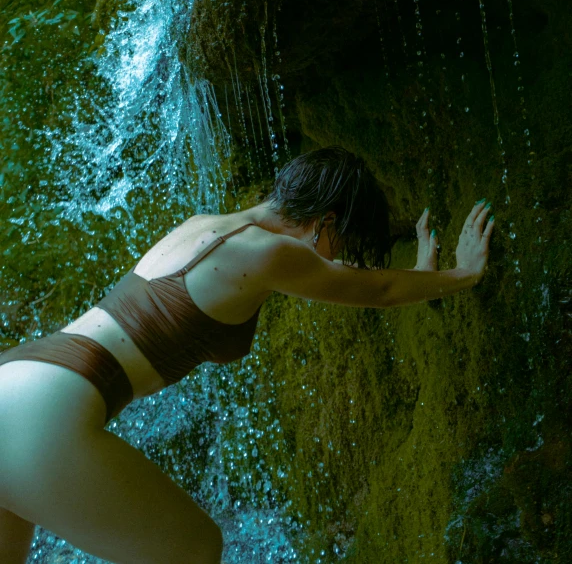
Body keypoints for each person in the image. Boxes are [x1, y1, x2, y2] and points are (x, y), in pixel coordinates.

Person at [0, 146, 495, 564]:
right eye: (346, 238)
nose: (343, 252)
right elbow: (377, 288)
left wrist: (424, 279)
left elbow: (349, 276)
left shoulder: (210, 227)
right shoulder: (266, 253)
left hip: (17, 379)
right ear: (326, 221)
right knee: (195, 547)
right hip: (42, 411)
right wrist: (462, 274)